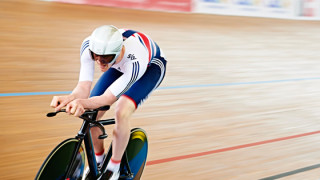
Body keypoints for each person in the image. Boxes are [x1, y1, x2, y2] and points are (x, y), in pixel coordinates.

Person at [50, 25, 167, 179]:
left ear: (117, 53)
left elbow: (107, 99)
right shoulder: (89, 46)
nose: (99, 62)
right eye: (95, 57)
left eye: (104, 59)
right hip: (119, 63)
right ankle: (98, 163)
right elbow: (83, 87)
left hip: (150, 67)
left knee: (121, 110)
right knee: (91, 115)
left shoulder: (135, 60)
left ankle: (114, 166)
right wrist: (70, 98)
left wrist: (82, 103)